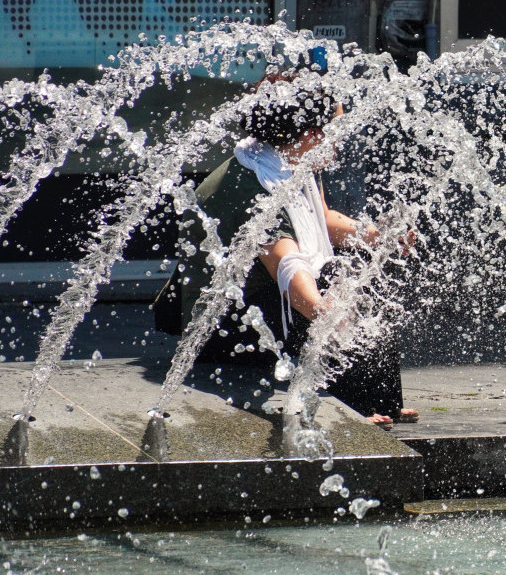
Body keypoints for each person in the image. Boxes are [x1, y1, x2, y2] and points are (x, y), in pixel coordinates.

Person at [154, 72, 417, 428]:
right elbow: (290, 268)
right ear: (311, 134)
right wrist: (328, 312)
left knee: (357, 275)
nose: (339, 141)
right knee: (335, 285)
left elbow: (322, 219)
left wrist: (377, 235)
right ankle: (353, 410)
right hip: (226, 332)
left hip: (257, 300)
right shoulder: (256, 188)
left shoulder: (288, 156)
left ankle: (381, 397)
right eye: (335, 130)